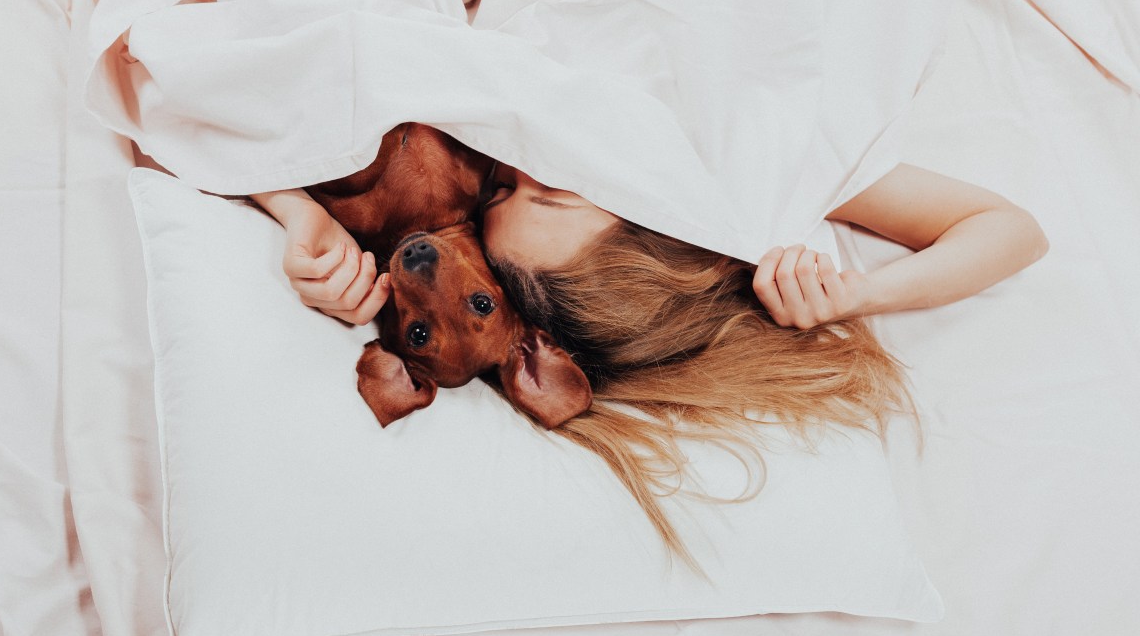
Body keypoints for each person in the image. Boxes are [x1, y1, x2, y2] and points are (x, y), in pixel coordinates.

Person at [255, 160, 1048, 564]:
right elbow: (1006, 227)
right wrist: (854, 297)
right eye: (526, 191)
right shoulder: (746, 161)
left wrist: (295, 211)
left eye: (517, 192)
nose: (525, 165)